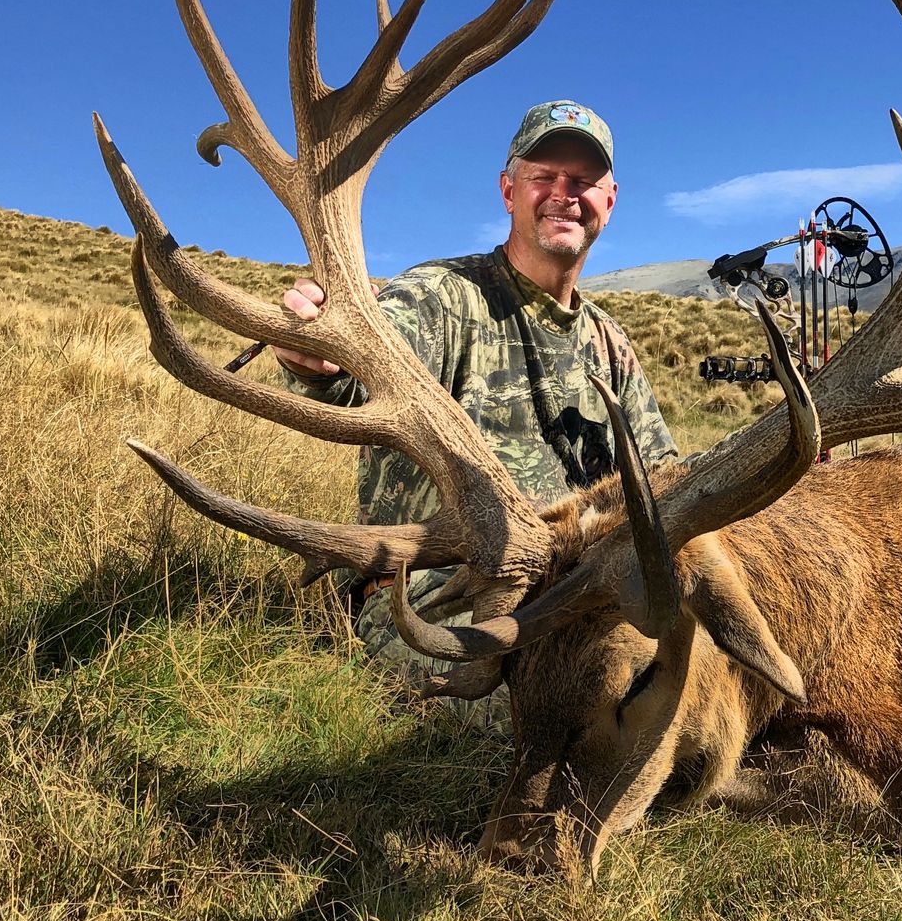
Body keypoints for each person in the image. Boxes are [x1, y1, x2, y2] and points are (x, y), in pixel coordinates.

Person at [276, 99, 678, 707]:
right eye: (543, 177)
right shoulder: (438, 297)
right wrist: (323, 358)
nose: (563, 194)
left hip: (579, 592)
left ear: (610, 200)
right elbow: (358, 376)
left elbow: (664, 478)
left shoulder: (611, 343)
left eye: (582, 182)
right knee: (565, 713)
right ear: (508, 189)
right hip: (437, 593)